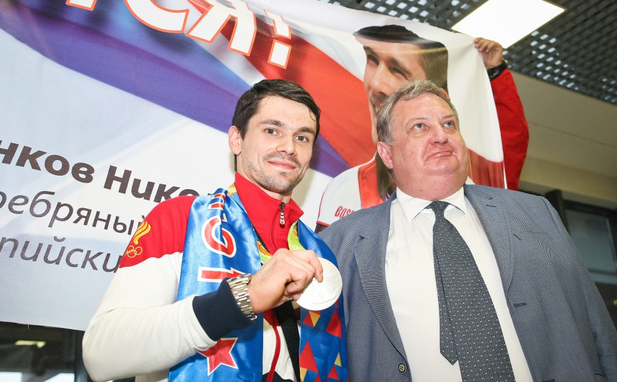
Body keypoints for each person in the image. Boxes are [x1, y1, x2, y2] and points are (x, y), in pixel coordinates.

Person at [319, 80, 617, 381]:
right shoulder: (340, 244)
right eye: (420, 127)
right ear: (386, 154)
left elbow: (596, 325)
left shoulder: (536, 213)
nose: (441, 136)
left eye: (449, 124)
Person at [82, 79, 348, 382]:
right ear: (236, 140)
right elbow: (100, 355)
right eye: (272, 131)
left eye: (302, 137)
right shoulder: (182, 219)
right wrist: (242, 299)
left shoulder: (319, 252)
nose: (288, 147)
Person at [315, 25, 529, 231]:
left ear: (440, 98)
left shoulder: (474, 192)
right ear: (385, 152)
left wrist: (495, 73)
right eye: (372, 59)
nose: (377, 84)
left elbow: (508, 144)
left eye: (397, 70)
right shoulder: (344, 189)